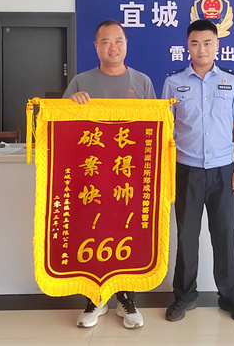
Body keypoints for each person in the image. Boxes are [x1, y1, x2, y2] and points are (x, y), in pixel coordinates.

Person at [63, 19, 155, 329]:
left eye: (118, 40)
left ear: (126, 44)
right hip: (91, 180)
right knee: (92, 233)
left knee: (128, 233)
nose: (112, 47)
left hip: (129, 179)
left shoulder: (142, 82)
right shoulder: (80, 82)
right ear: (96, 46)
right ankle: (95, 298)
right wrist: (72, 106)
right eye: (105, 41)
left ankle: (126, 300)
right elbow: (59, 127)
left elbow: (157, 130)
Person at [161, 19, 234, 323]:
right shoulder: (173, 82)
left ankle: (231, 298)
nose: (202, 49)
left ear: (217, 45)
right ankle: (184, 297)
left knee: (224, 235)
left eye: (208, 43)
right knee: (186, 237)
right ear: (187, 46)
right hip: (186, 171)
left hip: (223, 171)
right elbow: (164, 130)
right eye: (195, 43)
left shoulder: (231, 81)